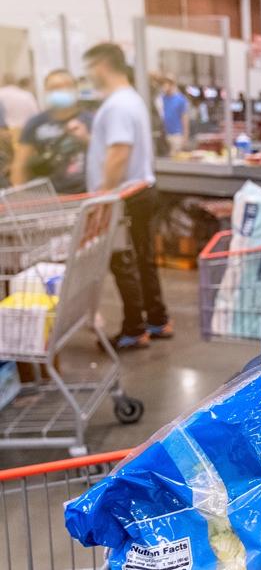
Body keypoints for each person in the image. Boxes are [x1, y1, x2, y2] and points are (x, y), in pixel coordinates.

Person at [70, 43, 173, 350]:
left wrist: (102, 201)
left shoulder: (116, 105)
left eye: (89, 68)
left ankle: (134, 327)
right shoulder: (131, 100)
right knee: (143, 260)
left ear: (101, 66)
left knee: (123, 262)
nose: (87, 76)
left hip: (125, 197)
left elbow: (118, 153)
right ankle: (157, 319)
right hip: (141, 190)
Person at [11, 69, 92, 193]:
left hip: (85, 192)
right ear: (46, 92)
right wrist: (19, 194)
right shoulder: (35, 123)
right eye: (54, 87)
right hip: (50, 196)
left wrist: (86, 139)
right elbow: (20, 164)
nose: (61, 91)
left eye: (67, 86)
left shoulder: (89, 120)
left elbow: (104, 155)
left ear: (75, 89)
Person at [160, 75, 189, 154]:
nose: (164, 86)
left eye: (165, 84)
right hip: (165, 135)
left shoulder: (181, 99)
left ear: (172, 85)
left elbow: (184, 118)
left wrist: (185, 137)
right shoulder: (162, 98)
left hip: (177, 135)